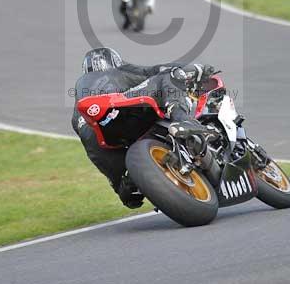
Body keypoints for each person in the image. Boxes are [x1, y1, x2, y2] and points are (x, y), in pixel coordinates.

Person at [71, 47, 211, 208]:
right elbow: (155, 70)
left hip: (104, 136)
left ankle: (126, 185)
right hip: (125, 110)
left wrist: (118, 185)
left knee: (92, 140)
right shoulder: (118, 71)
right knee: (168, 75)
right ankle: (182, 119)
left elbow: (93, 151)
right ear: (114, 62)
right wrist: (195, 68)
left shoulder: (78, 107)